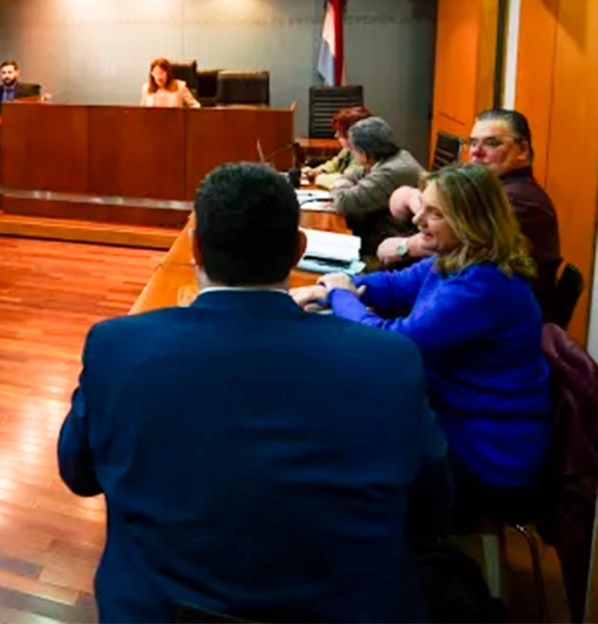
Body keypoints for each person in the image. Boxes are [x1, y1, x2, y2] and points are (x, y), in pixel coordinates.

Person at [58, 162, 450, 623]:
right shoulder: (390, 361)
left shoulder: (116, 347)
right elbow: (432, 510)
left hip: (157, 611)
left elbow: (78, 473)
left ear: (196, 248)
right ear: (298, 249)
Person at [295, 163, 552, 519]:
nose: (417, 223)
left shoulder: (483, 284)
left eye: (434, 214)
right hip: (454, 426)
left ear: (470, 222)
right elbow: (396, 284)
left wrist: (342, 297)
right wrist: (327, 287)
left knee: (336, 467)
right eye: (422, 209)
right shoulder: (455, 258)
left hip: (484, 461)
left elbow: (395, 344)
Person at [379, 109, 561, 308]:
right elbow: (399, 201)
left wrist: (403, 247)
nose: (475, 152)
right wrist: (421, 202)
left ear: (523, 150)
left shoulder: (520, 201)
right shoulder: (487, 189)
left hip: (483, 311)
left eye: (492, 143)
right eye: (473, 142)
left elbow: (455, 245)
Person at [331, 116, 424, 256]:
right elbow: (356, 174)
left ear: (364, 155)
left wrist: (338, 186)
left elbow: (345, 203)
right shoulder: (392, 157)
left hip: (392, 243)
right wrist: (347, 182)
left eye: (353, 151)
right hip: (382, 232)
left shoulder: (391, 172)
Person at [301, 104, 373, 189]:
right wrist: (317, 171)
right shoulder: (348, 150)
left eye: (340, 132)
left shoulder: (366, 155)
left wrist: (319, 177)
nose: (336, 135)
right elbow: (336, 163)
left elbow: (347, 181)